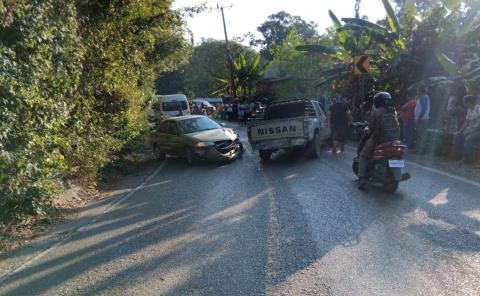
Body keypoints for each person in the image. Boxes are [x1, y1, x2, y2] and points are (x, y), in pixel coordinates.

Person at [358, 92, 401, 190]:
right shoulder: (394, 112)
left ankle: (362, 178)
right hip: (395, 140)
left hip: (379, 140)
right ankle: (397, 173)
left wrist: (369, 130)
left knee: (363, 156)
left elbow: (371, 127)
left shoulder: (377, 112)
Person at [453, 95, 480, 165]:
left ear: (469, 102)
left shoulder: (478, 108)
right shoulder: (469, 110)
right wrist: (460, 131)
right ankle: (457, 156)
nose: (464, 104)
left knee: (469, 139)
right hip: (471, 129)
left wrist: (473, 130)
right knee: (458, 136)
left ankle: (467, 159)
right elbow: (467, 122)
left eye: (465, 102)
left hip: (478, 130)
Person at [414, 85, 431, 153]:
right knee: (420, 135)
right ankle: (419, 149)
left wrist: (419, 118)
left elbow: (423, 109)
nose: (417, 92)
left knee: (421, 135)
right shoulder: (422, 97)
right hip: (421, 119)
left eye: (418, 90)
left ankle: (421, 150)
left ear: (421, 91)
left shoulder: (424, 97)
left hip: (422, 119)